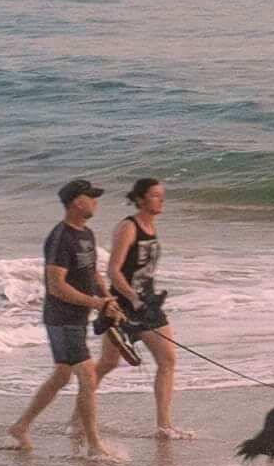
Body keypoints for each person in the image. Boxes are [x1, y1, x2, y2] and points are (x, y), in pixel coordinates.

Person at [11, 173, 115, 450]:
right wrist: (96, 304)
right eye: (90, 197)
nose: (95, 202)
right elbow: (56, 287)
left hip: (78, 317)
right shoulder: (59, 238)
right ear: (76, 203)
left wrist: (107, 299)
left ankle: (20, 427)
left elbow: (92, 273)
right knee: (87, 376)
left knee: (62, 375)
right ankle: (95, 445)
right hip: (61, 317)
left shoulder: (87, 234)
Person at [99, 172, 183, 439]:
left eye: (162, 195)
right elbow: (113, 270)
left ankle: (163, 425)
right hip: (124, 304)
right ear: (140, 199)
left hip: (149, 303)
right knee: (108, 364)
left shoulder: (151, 226)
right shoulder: (129, 227)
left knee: (167, 359)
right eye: (156, 196)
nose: (161, 200)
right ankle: (78, 417)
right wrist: (132, 299)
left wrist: (146, 299)